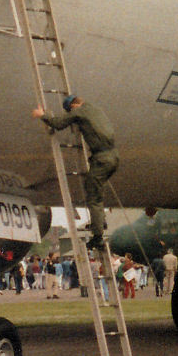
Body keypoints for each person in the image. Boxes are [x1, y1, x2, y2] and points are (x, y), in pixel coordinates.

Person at [34, 95, 120, 245]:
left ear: (73, 106)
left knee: (93, 197)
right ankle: (99, 221)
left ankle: (98, 236)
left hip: (101, 159)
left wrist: (43, 115)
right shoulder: (95, 109)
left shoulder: (78, 111)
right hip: (113, 157)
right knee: (97, 193)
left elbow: (58, 124)